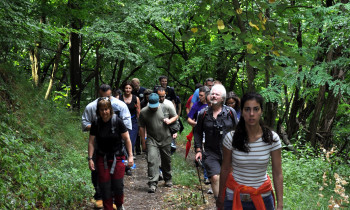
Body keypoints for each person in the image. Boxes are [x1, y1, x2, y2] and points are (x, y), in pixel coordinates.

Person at [216, 92, 283, 210]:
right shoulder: (231, 138)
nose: (251, 114)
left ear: (261, 111)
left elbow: (277, 172)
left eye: (256, 109)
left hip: (263, 198)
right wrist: (221, 197)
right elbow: (225, 168)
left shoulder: (272, 138)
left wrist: (280, 205)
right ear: (241, 111)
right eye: (247, 109)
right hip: (234, 197)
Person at [82, 84, 131, 209]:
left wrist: (130, 156)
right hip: (101, 158)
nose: (104, 112)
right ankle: (108, 207)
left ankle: (119, 205)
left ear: (110, 109)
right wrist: (90, 159)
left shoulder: (117, 121)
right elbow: (91, 142)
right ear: (98, 111)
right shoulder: (96, 123)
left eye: (106, 109)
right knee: (105, 187)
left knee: (117, 186)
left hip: (118, 157)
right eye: (102, 110)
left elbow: (126, 139)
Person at [194, 84, 238, 199]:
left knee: (229, 179)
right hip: (210, 151)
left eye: (216, 94)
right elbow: (197, 132)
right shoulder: (203, 113)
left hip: (229, 152)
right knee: (214, 177)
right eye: (212, 94)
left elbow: (238, 131)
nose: (213, 96)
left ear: (222, 98)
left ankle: (230, 202)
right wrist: (198, 150)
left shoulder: (230, 112)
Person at [139, 93, 178, 193]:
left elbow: (175, 116)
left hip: (166, 138)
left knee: (166, 160)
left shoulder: (166, 107)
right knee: (152, 160)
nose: (153, 108)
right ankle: (152, 183)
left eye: (155, 106)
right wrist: (143, 142)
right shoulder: (143, 112)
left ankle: (168, 178)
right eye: (152, 107)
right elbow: (142, 127)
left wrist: (169, 121)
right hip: (152, 139)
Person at [119, 81, 140, 176]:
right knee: (121, 144)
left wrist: (140, 127)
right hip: (121, 123)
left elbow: (138, 112)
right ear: (124, 88)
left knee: (130, 142)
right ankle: (123, 165)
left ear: (132, 89)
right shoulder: (118, 98)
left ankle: (128, 167)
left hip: (133, 123)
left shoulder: (136, 98)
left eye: (129, 88)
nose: (127, 90)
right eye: (126, 88)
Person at [157, 87, 179, 154]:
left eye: (163, 96)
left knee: (167, 150)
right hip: (156, 129)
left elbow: (175, 117)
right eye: (159, 96)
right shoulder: (152, 103)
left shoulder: (169, 103)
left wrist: (174, 131)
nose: (161, 98)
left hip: (167, 128)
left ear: (165, 95)